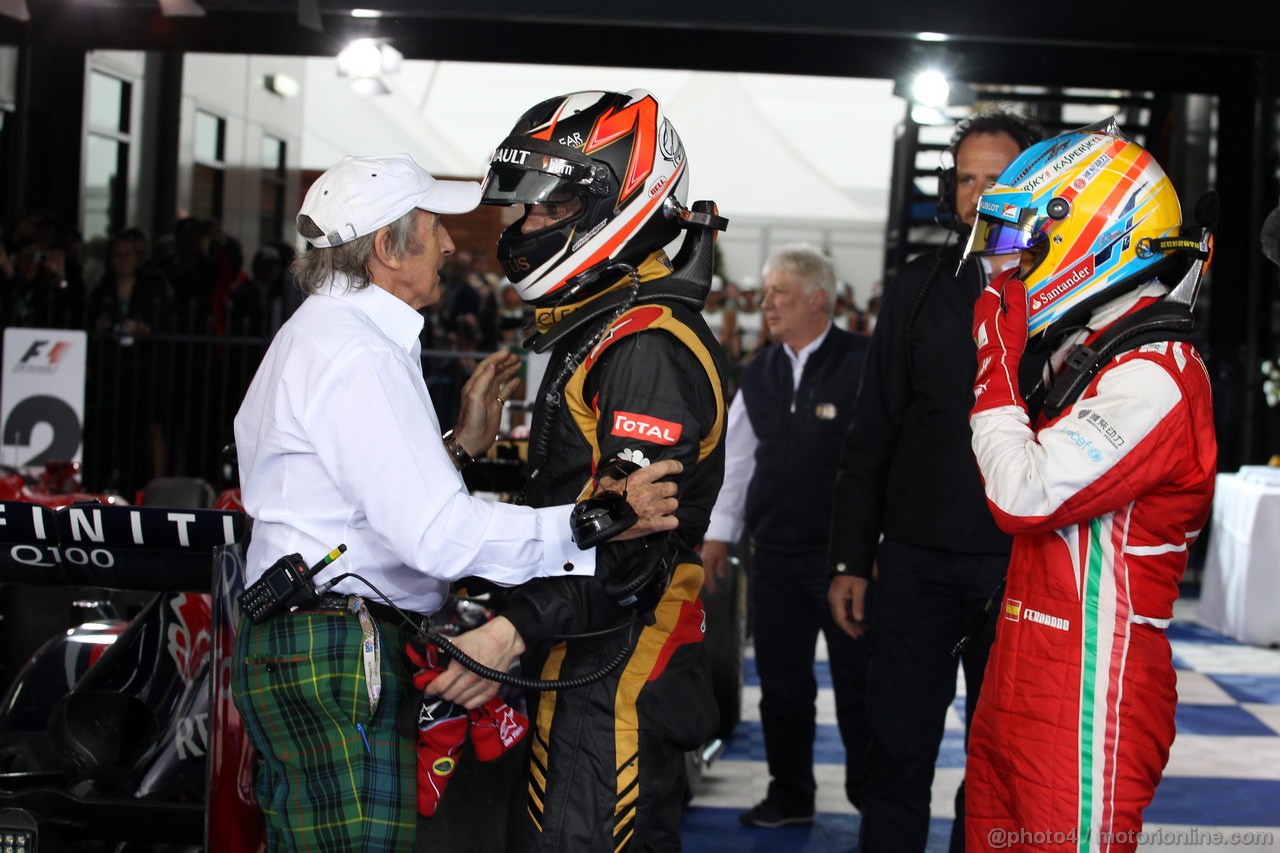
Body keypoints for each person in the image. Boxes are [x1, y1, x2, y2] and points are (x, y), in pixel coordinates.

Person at [230, 151, 684, 852]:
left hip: (313, 639)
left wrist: (461, 449)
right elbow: (436, 535)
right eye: (434, 225)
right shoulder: (357, 354)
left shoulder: (328, 337)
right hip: (337, 647)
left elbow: (355, 507)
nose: (448, 243)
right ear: (386, 246)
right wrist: (597, 521)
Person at [475, 89, 728, 851]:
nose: (522, 228)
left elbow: (628, 556)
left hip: (614, 682)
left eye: (545, 210)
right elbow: (575, 499)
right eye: (521, 209)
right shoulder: (610, 328)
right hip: (583, 669)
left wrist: (510, 629)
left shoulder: (646, 346)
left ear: (613, 204)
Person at [961, 120, 1216, 851]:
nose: (1005, 263)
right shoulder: (1096, 353)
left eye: (1023, 243)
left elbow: (1021, 495)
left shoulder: (1154, 375)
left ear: (1085, 234)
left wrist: (994, 366)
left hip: (1089, 691)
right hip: (1026, 675)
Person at [826, 109, 1043, 853]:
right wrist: (853, 557)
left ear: (1035, 183)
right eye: (966, 179)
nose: (979, 194)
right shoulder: (919, 285)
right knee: (897, 752)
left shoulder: (1068, 293)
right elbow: (873, 429)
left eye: (998, 178)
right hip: (914, 560)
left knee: (1002, 761)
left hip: (1018, 563)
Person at [702, 244, 870, 828]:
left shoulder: (864, 364)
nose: (766, 303)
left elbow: (885, 463)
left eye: (779, 293)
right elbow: (739, 458)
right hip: (774, 558)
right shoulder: (761, 368)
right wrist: (720, 535)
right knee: (780, 685)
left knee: (860, 686)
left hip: (844, 563)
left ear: (817, 300)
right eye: (768, 293)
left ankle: (874, 801)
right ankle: (790, 794)